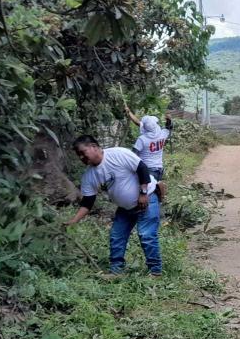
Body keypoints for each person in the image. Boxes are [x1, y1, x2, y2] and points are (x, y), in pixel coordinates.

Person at [64, 135, 163, 277]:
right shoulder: (89, 175)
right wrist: (74, 220)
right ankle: (116, 271)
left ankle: (155, 271)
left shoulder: (118, 154)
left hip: (147, 199)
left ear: (93, 146)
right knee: (116, 236)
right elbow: (88, 201)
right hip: (125, 208)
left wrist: (143, 193)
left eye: (82, 152)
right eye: (78, 155)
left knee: (146, 234)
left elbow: (142, 168)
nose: (81, 157)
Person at [125, 104, 172, 181]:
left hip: (146, 171)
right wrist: (169, 120)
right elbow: (169, 127)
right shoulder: (162, 134)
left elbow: (132, 155)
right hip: (159, 169)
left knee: (145, 191)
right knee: (155, 190)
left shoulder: (142, 139)